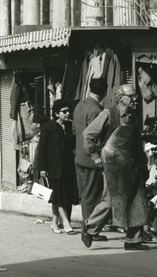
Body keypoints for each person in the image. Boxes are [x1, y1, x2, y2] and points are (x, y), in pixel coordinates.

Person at [82, 84, 150, 251]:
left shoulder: (134, 116)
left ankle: (134, 240)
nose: (135, 99)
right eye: (131, 96)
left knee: (137, 200)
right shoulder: (108, 114)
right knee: (112, 200)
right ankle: (90, 228)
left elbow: (137, 143)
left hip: (132, 163)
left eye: (135, 96)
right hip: (113, 164)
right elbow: (88, 135)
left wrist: (143, 164)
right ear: (120, 98)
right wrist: (96, 157)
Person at [73, 76, 109, 240]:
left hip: (79, 156)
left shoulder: (80, 105)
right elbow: (95, 137)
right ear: (105, 92)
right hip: (91, 158)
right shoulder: (97, 110)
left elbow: (75, 129)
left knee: (85, 193)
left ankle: (88, 227)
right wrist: (97, 156)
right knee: (92, 194)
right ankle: (89, 229)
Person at [37, 100, 78, 234]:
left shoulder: (70, 127)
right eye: (64, 112)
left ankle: (54, 223)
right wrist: (42, 168)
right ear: (56, 113)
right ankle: (66, 223)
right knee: (58, 195)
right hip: (53, 168)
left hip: (67, 167)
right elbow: (41, 150)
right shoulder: (48, 128)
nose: (67, 114)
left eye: (68, 111)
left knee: (61, 195)